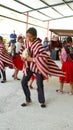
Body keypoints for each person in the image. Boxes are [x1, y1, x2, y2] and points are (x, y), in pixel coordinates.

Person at [20, 27, 65, 108]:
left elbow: (43, 57)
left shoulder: (38, 44)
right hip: (28, 66)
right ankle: (28, 99)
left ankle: (41, 101)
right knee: (23, 82)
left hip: (37, 67)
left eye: (30, 36)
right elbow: (22, 50)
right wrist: (22, 56)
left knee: (39, 84)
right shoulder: (26, 42)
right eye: (27, 36)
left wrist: (32, 59)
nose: (28, 38)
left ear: (35, 36)